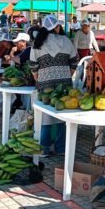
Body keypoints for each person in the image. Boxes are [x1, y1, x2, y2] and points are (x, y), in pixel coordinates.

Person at [29, 14, 78, 156]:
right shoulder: (66, 40)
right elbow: (74, 61)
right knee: (63, 113)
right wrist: (68, 74)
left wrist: (39, 79)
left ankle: (43, 148)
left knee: (45, 115)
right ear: (56, 27)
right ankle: (61, 148)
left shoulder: (37, 43)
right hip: (65, 82)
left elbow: (33, 65)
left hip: (45, 83)